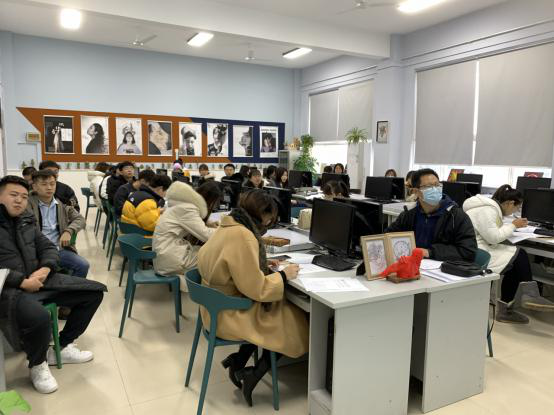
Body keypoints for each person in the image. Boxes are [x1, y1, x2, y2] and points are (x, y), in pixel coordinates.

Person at [197, 190, 308, 406]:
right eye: (270, 217)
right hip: (228, 314)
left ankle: (238, 360)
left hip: (214, 307)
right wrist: (284, 275)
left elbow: (235, 266)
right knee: (293, 319)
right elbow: (257, 289)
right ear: (261, 213)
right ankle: (254, 374)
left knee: (279, 312)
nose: (270, 222)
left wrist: (261, 265)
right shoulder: (244, 236)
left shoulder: (228, 225)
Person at [0, 175, 105, 394]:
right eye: (13, 195)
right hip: (10, 289)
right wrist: (22, 281)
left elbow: (48, 247)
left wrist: (46, 268)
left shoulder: (26, 220)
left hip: (41, 279)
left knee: (94, 292)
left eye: (23, 196)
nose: (19, 200)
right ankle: (37, 364)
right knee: (40, 317)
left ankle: (63, 346)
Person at [463, 185, 554, 323]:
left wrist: (511, 225)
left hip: (479, 247)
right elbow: (493, 237)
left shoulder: (487, 207)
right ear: (510, 203)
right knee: (520, 254)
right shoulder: (487, 210)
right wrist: (513, 225)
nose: (516, 211)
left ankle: (508, 309)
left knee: (514, 264)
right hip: (477, 251)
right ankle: (529, 295)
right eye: (517, 207)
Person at [386, 168, 477, 262]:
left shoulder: (456, 216)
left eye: (437, 185)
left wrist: (430, 252)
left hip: (441, 268)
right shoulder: (409, 214)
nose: (435, 189)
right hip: (412, 264)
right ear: (416, 191)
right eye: (429, 186)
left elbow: (468, 252)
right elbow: (388, 236)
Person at [27, 170, 89, 278]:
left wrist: (68, 231)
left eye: (52, 184)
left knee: (83, 265)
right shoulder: (27, 204)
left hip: (58, 250)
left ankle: (73, 288)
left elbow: (80, 219)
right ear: (35, 186)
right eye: (44, 184)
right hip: (36, 251)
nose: (49, 188)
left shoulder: (62, 204)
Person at [153, 181, 221, 277]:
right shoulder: (188, 209)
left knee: (203, 250)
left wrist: (209, 223)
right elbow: (206, 235)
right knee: (214, 256)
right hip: (170, 259)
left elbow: (187, 220)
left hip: (164, 252)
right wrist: (225, 231)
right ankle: (206, 285)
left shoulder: (183, 203)